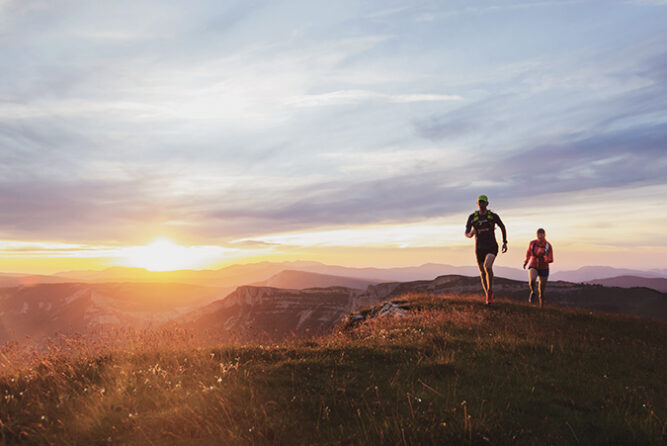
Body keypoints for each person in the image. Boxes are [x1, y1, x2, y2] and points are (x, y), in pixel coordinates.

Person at [465, 195, 507, 304]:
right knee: (482, 272)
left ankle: (490, 290)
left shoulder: (492, 216)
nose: (481, 204)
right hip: (479, 248)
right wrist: (469, 234)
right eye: (479, 202)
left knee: (487, 266)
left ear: (487, 204)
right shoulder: (472, 217)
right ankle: (488, 297)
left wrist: (505, 242)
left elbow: (502, 227)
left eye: (483, 202)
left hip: (492, 246)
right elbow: (467, 231)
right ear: (477, 203)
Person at [523, 228, 553, 308]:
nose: (540, 236)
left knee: (541, 290)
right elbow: (528, 253)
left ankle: (541, 306)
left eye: (542, 234)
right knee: (532, 280)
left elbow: (551, 258)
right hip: (533, 265)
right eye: (539, 234)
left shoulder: (548, 245)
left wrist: (547, 259)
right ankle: (532, 291)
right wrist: (526, 262)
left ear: (544, 235)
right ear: (537, 235)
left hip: (544, 267)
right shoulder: (532, 243)